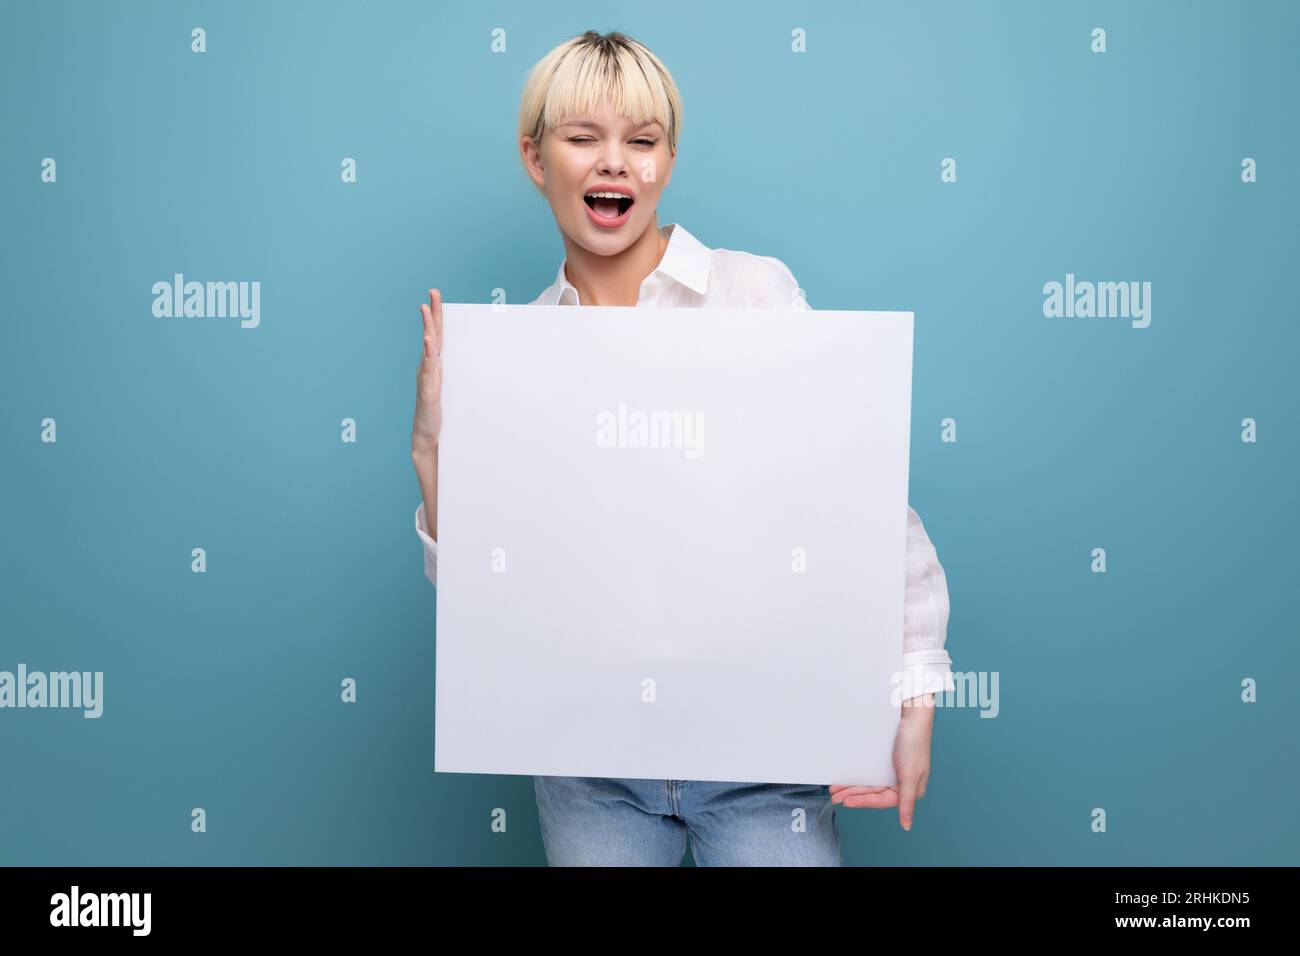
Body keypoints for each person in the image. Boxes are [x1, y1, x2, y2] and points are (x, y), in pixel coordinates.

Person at [410, 30, 955, 866]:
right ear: (534, 157)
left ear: (668, 160)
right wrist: (433, 452)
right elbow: (492, 602)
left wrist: (913, 692)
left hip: (764, 761)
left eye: (642, 141)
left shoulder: (755, 295)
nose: (613, 164)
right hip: (592, 773)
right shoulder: (517, 350)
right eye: (582, 138)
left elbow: (858, 499)